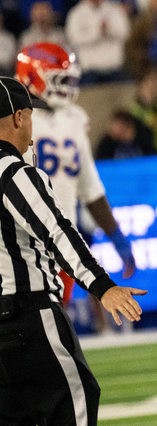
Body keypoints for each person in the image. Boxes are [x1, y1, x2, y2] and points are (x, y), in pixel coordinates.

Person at [0, 75, 145, 426]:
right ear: (18, 117)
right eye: (29, 118)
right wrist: (101, 286)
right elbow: (57, 228)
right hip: (31, 321)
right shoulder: (14, 172)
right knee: (74, 423)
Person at [15, 42, 137, 306]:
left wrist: (117, 237)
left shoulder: (74, 119)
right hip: (20, 241)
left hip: (63, 243)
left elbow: (90, 187)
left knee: (56, 324)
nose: (67, 87)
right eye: (60, 80)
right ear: (32, 76)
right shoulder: (14, 117)